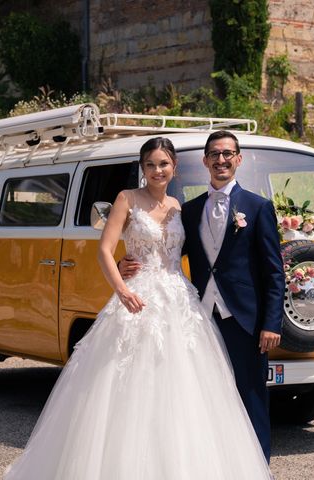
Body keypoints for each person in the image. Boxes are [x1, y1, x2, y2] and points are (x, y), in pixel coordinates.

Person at [4, 137, 274, 479]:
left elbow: (206, 250)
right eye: (151, 164)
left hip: (180, 302)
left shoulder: (181, 207)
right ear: (142, 168)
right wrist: (121, 285)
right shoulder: (126, 199)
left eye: (164, 164)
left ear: (174, 168)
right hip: (137, 298)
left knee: (187, 389)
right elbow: (104, 249)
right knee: (127, 385)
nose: (157, 170)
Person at [119, 130, 285, 462]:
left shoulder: (258, 207)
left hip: (244, 321)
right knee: (205, 398)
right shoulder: (189, 210)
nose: (221, 160)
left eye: (228, 154)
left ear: (238, 159)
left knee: (251, 396)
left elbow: (274, 272)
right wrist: (126, 261)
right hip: (197, 318)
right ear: (205, 160)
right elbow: (169, 250)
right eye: (215, 154)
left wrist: (271, 323)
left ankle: (258, 468)